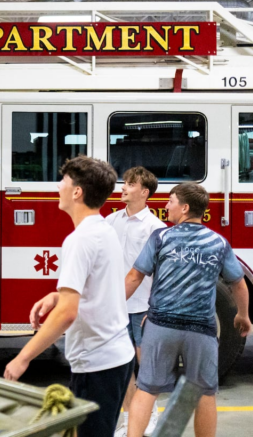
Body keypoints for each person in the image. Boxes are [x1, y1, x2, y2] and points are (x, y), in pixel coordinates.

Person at [4, 155, 135, 437]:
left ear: (77, 192)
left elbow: (67, 313)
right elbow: (100, 286)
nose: (57, 187)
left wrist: (23, 358)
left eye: (63, 181)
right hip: (117, 356)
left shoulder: (79, 239)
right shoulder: (104, 230)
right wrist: (58, 294)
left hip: (97, 362)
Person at [125, 183, 252, 437]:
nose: (165, 206)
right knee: (204, 392)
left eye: (170, 201)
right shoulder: (218, 242)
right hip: (201, 331)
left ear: (184, 208)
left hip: (160, 326)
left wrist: (115, 309)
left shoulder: (161, 238)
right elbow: (238, 283)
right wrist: (242, 314)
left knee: (147, 388)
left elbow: (134, 276)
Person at [106, 167, 166, 437]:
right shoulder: (111, 221)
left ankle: (149, 416)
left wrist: (155, 308)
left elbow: (162, 274)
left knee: (146, 366)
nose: (123, 187)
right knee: (123, 365)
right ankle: (129, 418)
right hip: (116, 306)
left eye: (130, 184)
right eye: (124, 183)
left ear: (144, 192)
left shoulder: (156, 228)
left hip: (142, 307)